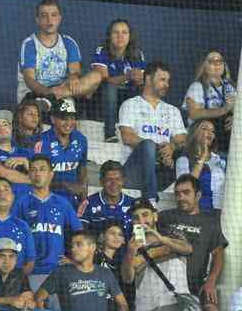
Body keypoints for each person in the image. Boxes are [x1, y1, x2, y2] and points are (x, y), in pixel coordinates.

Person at [159, 174, 227, 311]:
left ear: (198, 195)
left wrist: (211, 281)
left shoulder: (210, 222)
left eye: (186, 192)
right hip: (167, 284)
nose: (181, 197)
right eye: (177, 194)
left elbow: (218, 254)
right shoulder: (164, 217)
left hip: (196, 285)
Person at [117, 61, 187, 202]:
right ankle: (151, 201)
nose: (167, 85)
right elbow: (127, 137)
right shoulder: (131, 104)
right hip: (134, 173)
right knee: (148, 145)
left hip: (162, 170)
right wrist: (158, 149)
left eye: (168, 81)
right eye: (162, 80)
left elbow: (183, 139)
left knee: (184, 154)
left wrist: (172, 147)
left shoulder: (173, 111)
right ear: (148, 79)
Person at [14, 155, 82, 300]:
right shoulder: (21, 203)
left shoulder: (63, 203)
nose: (38, 174)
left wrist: (75, 260)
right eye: (33, 170)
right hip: (31, 272)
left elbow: (80, 234)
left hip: (57, 271)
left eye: (42, 169)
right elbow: (14, 235)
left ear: (51, 174)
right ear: (29, 175)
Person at [121, 200, 197, 311]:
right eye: (136, 218)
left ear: (155, 216)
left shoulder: (171, 234)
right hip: (145, 309)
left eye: (145, 215)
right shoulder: (131, 245)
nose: (141, 221)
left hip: (174, 304)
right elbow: (127, 278)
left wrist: (160, 241)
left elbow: (187, 249)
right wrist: (130, 253)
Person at [35, 229, 128, 311]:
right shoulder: (61, 272)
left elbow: (123, 304)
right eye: (72, 245)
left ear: (92, 247)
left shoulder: (105, 273)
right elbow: (38, 298)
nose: (73, 249)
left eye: (79, 244)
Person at [16, 0, 91, 105]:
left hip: (62, 93)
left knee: (93, 78)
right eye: (44, 15)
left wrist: (73, 77)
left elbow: (75, 71)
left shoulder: (69, 42)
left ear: (59, 19)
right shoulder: (29, 44)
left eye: (54, 15)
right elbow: (29, 80)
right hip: (35, 94)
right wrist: (49, 93)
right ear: (37, 20)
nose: (49, 20)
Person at [90, 19, 145, 142]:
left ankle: (139, 131)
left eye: (124, 32)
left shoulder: (137, 53)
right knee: (110, 88)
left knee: (144, 88)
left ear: (130, 36)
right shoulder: (102, 51)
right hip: (104, 97)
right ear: (110, 36)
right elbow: (104, 80)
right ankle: (110, 133)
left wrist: (139, 79)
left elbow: (140, 79)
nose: (120, 36)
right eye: (116, 32)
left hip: (127, 94)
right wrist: (127, 76)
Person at [34, 98, 88, 206]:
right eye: (64, 118)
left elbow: (82, 168)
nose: (69, 123)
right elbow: (35, 178)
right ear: (53, 119)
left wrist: (83, 192)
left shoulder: (81, 139)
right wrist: (65, 185)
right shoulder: (41, 142)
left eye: (72, 118)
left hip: (72, 202)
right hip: (44, 200)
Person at [183, 49, 234, 147]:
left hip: (223, 136)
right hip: (199, 139)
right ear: (204, 66)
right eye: (212, 61)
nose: (217, 64)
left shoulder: (230, 88)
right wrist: (224, 110)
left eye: (220, 61)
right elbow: (194, 114)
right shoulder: (197, 86)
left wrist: (235, 119)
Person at [174, 118, 225, 213]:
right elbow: (185, 186)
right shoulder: (183, 160)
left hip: (222, 213)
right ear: (194, 133)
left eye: (212, 131)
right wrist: (203, 157)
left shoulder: (220, 160)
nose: (209, 132)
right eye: (205, 128)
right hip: (198, 213)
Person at [78, 162, 134, 236]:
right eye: (109, 179)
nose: (114, 183)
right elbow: (81, 233)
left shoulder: (132, 203)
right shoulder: (88, 203)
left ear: (123, 181)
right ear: (101, 182)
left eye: (118, 179)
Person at [0, 110, 31, 186]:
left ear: (11, 129)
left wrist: (27, 163)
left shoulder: (27, 152)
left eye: (5, 124)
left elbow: (45, 174)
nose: (2, 128)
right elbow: (3, 173)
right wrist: (35, 181)